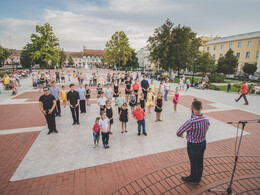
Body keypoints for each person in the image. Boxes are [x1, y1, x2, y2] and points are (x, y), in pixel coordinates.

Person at [177, 100, 210, 185]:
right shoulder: (206, 119)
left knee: (194, 162)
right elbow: (207, 127)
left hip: (193, 145)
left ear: (192, 108)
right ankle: (198, 178)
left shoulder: (191, 121)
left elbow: (179, 131)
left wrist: (181, 135)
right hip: (203, 143)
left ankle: (193, 179)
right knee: (200, 161)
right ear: (201, 108)